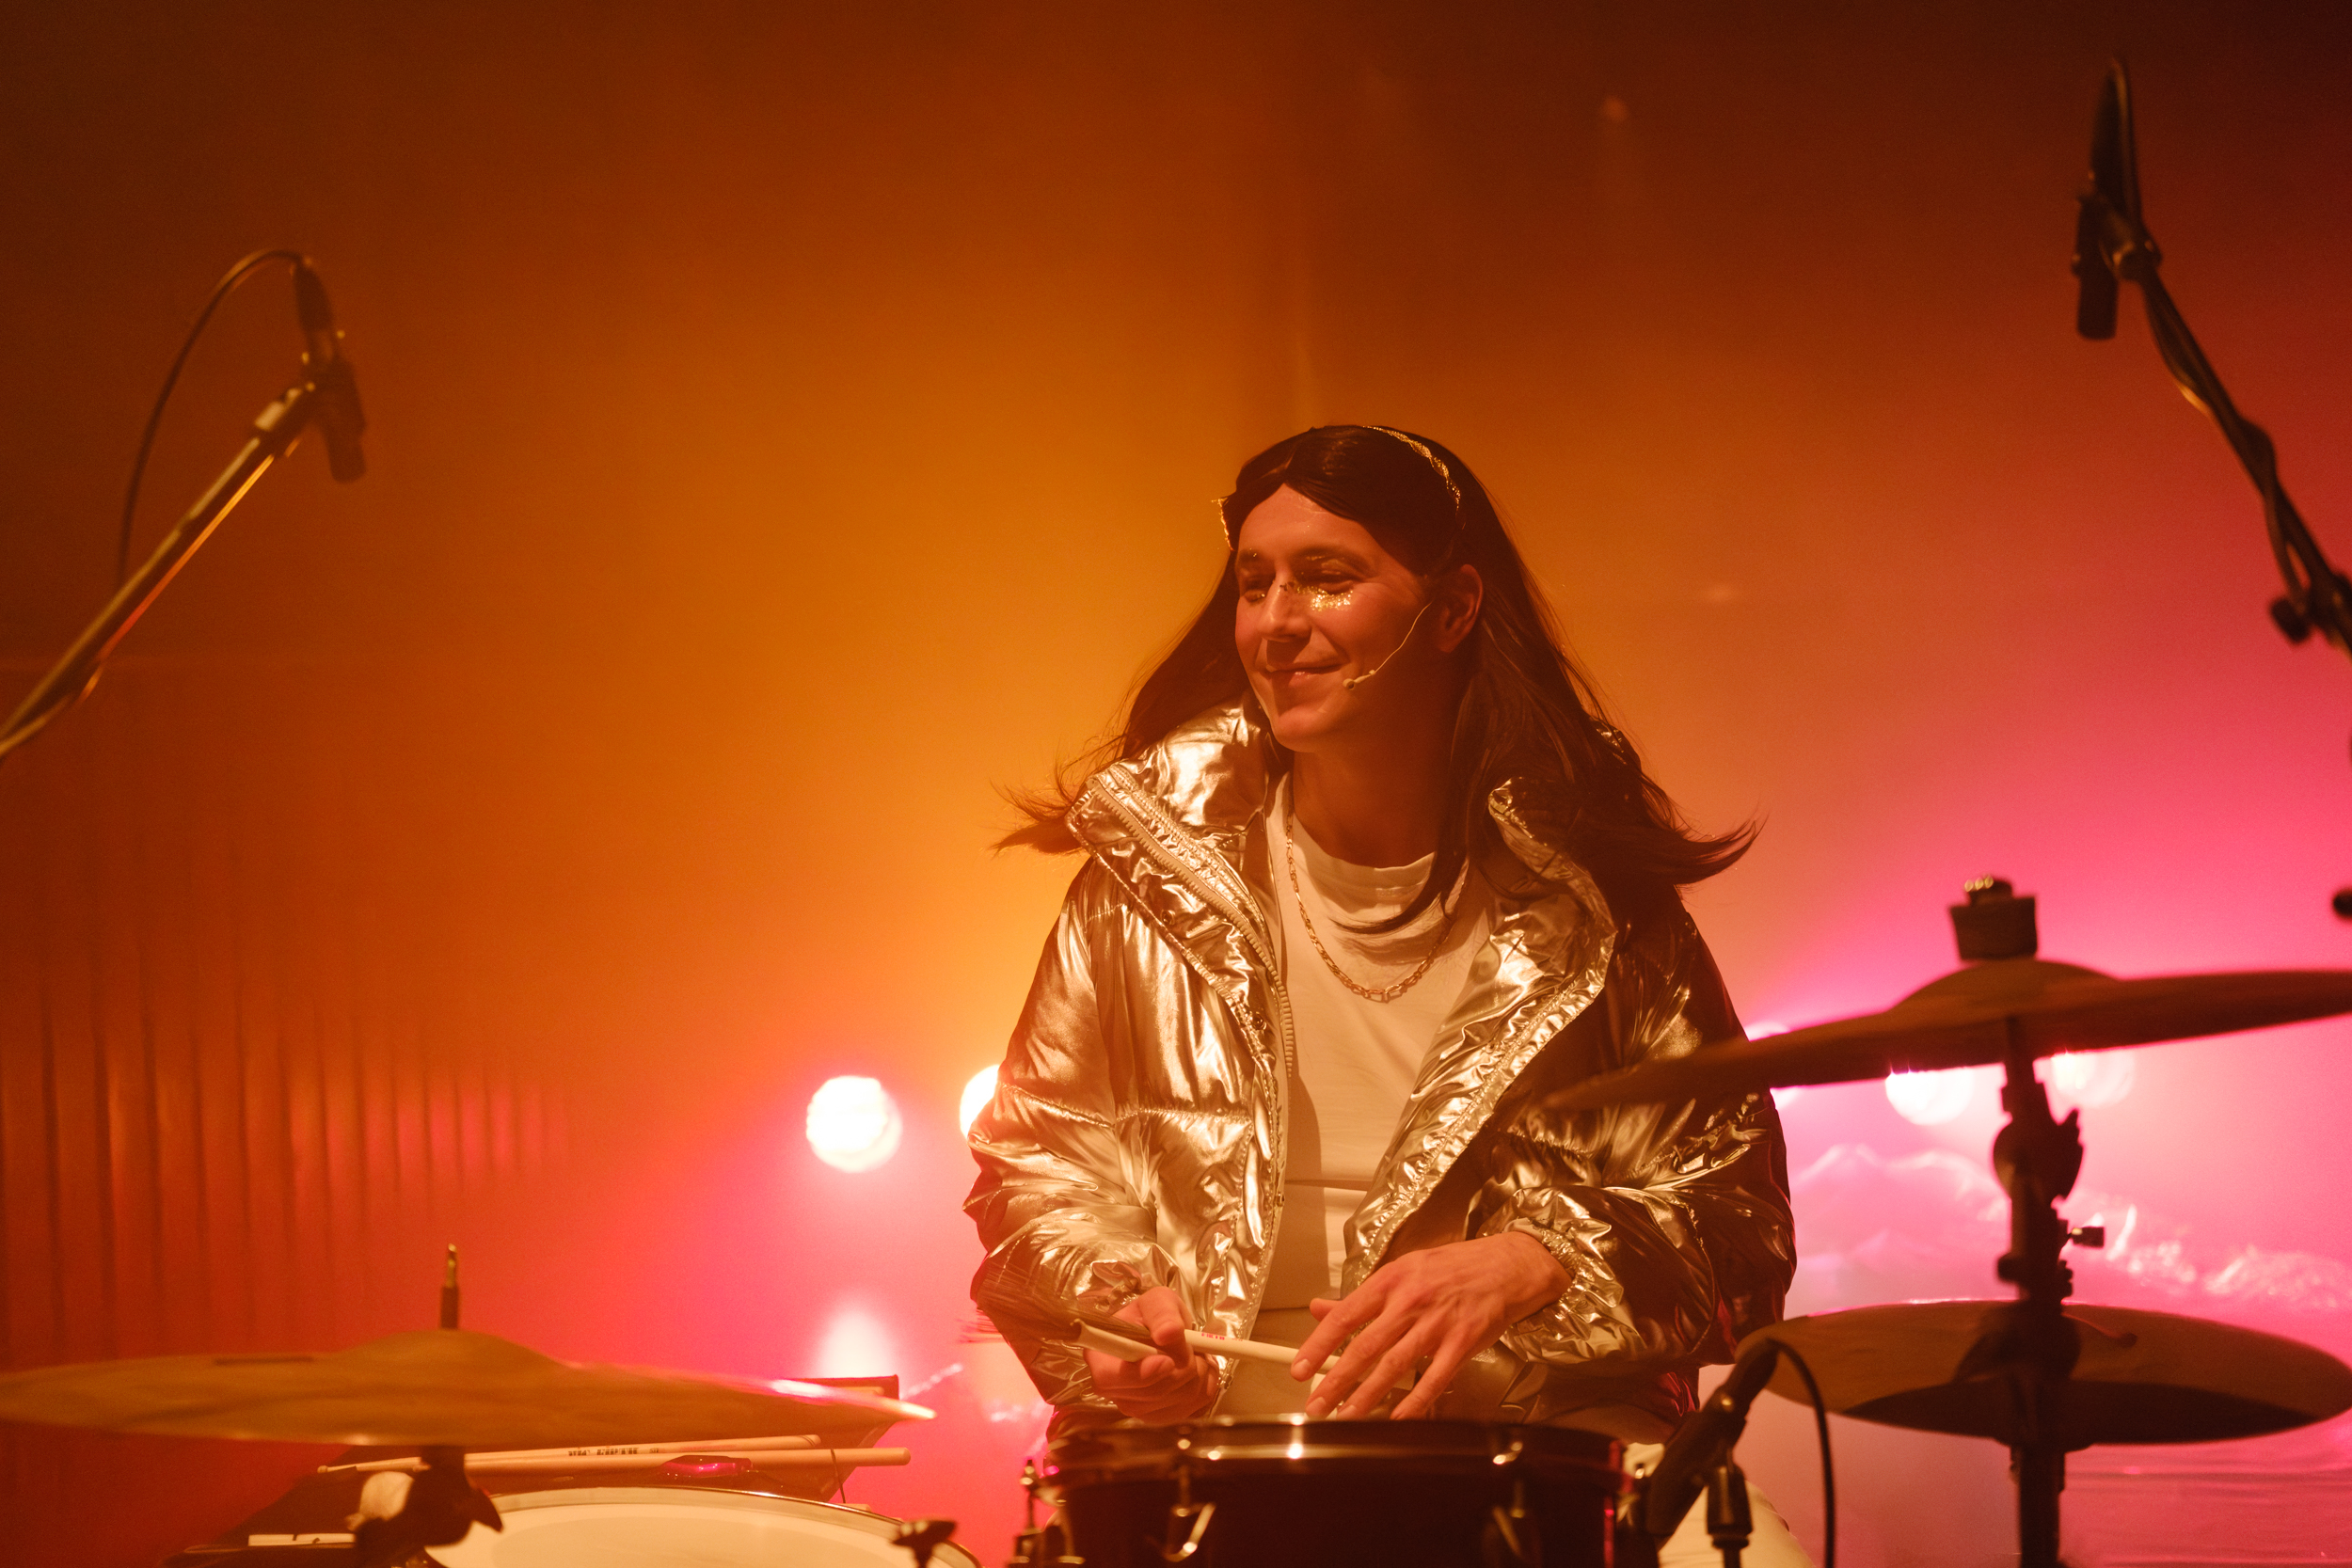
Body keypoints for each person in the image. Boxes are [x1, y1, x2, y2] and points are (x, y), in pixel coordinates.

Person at [964, 426, 1805, 1564]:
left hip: (1540, 1445)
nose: (1275, 622)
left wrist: (1539, 1259)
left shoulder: (1600, 902)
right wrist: (1111, 1300)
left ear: (1452, 611)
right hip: (1218, 1457)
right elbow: (1034, 1169)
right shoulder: (1143, 882)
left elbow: (1737, 1223)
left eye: (1325, 577)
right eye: (1253, 583)